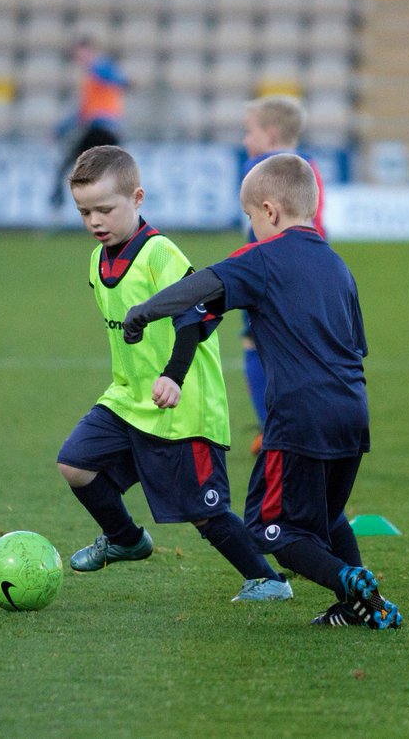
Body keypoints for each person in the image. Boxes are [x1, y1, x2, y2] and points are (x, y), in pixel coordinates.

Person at [123, 153, 402, 630]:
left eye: (251, 217)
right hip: (353, 412)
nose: (251, 227)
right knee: (328, 515)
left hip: (299, 415)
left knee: (271, 528)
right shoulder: (338, 267)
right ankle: (365, 608)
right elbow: (357, 346)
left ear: (269, 212)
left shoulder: (262, 257)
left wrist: (142, 312)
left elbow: (196, 287)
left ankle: (349, 578)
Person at [55, 145, 292, 603]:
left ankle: (268, 580)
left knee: (205, 513)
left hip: (182, 404)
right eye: (85, 212)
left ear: (137, 198)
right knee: (75, 464)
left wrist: (174, 377)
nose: (95, 221)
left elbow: (197, 316)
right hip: (128, 399)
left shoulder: (160, 253)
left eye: (105, 209)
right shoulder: (96, 260)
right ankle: (125, 538)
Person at [238, 95, 325, 455]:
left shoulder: (263, 170)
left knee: (255, 344)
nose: (246, 140)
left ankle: (271, 429)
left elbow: (262, 231)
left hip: (271, 268)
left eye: (250, 131)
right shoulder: (309, 168)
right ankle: (306, 425)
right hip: (313, 264)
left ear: (271, 134)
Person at [50, 37, 129, 208]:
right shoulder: (90, 80)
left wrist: (123, 81)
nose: (78, 57)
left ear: (88, 50)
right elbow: (81, 112)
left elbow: (116, 78)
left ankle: (59, 203)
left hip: (104, 129)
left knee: (75, 166)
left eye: (80, 53)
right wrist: (60, 130)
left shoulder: (99, 67)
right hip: (98, 129)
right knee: (79, 168)